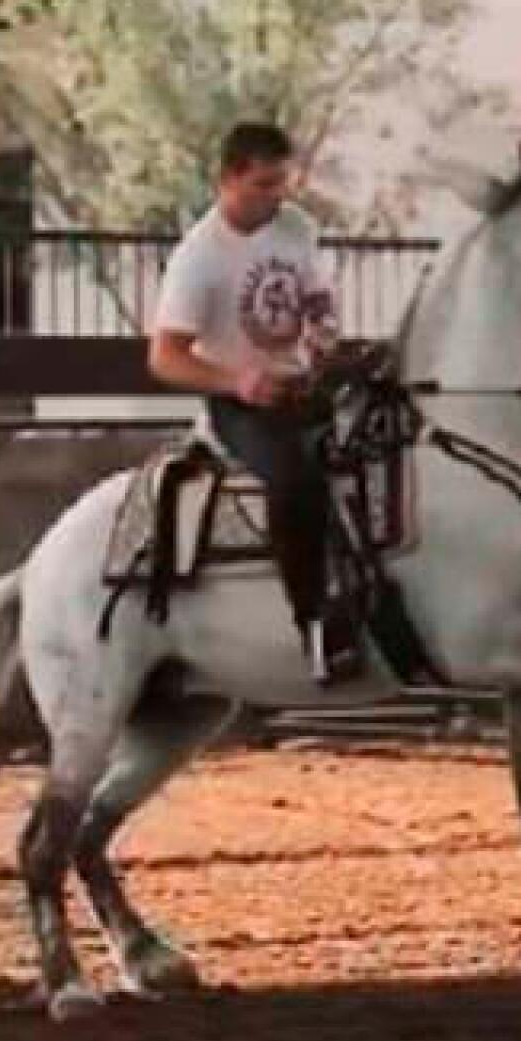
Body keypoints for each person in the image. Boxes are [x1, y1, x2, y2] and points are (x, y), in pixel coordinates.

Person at [147, 121, 349, 682]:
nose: (276, 195)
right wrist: (238, 381)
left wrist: (323, 330)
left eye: (281, 182)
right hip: (239, 403)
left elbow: (316, 299)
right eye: (263, 184)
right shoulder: (198, 257)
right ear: (228, 179)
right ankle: (313, 622)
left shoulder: (297, 228)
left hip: (301, 385)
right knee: (293, 480)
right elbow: (165, 357)